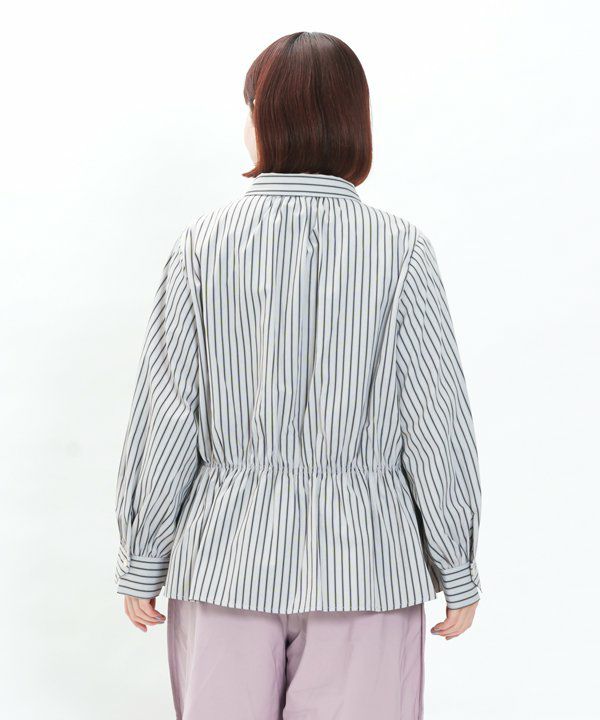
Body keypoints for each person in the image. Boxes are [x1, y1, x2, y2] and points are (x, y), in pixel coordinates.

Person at [114, 30, 482, 720]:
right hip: (368, 567)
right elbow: (436, 422)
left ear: (261, 117)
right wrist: (454, 564)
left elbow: (167, 414)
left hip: (225, 560)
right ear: (355, 122)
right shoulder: (402, 250)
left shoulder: (202, 246)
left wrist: (143, 553)